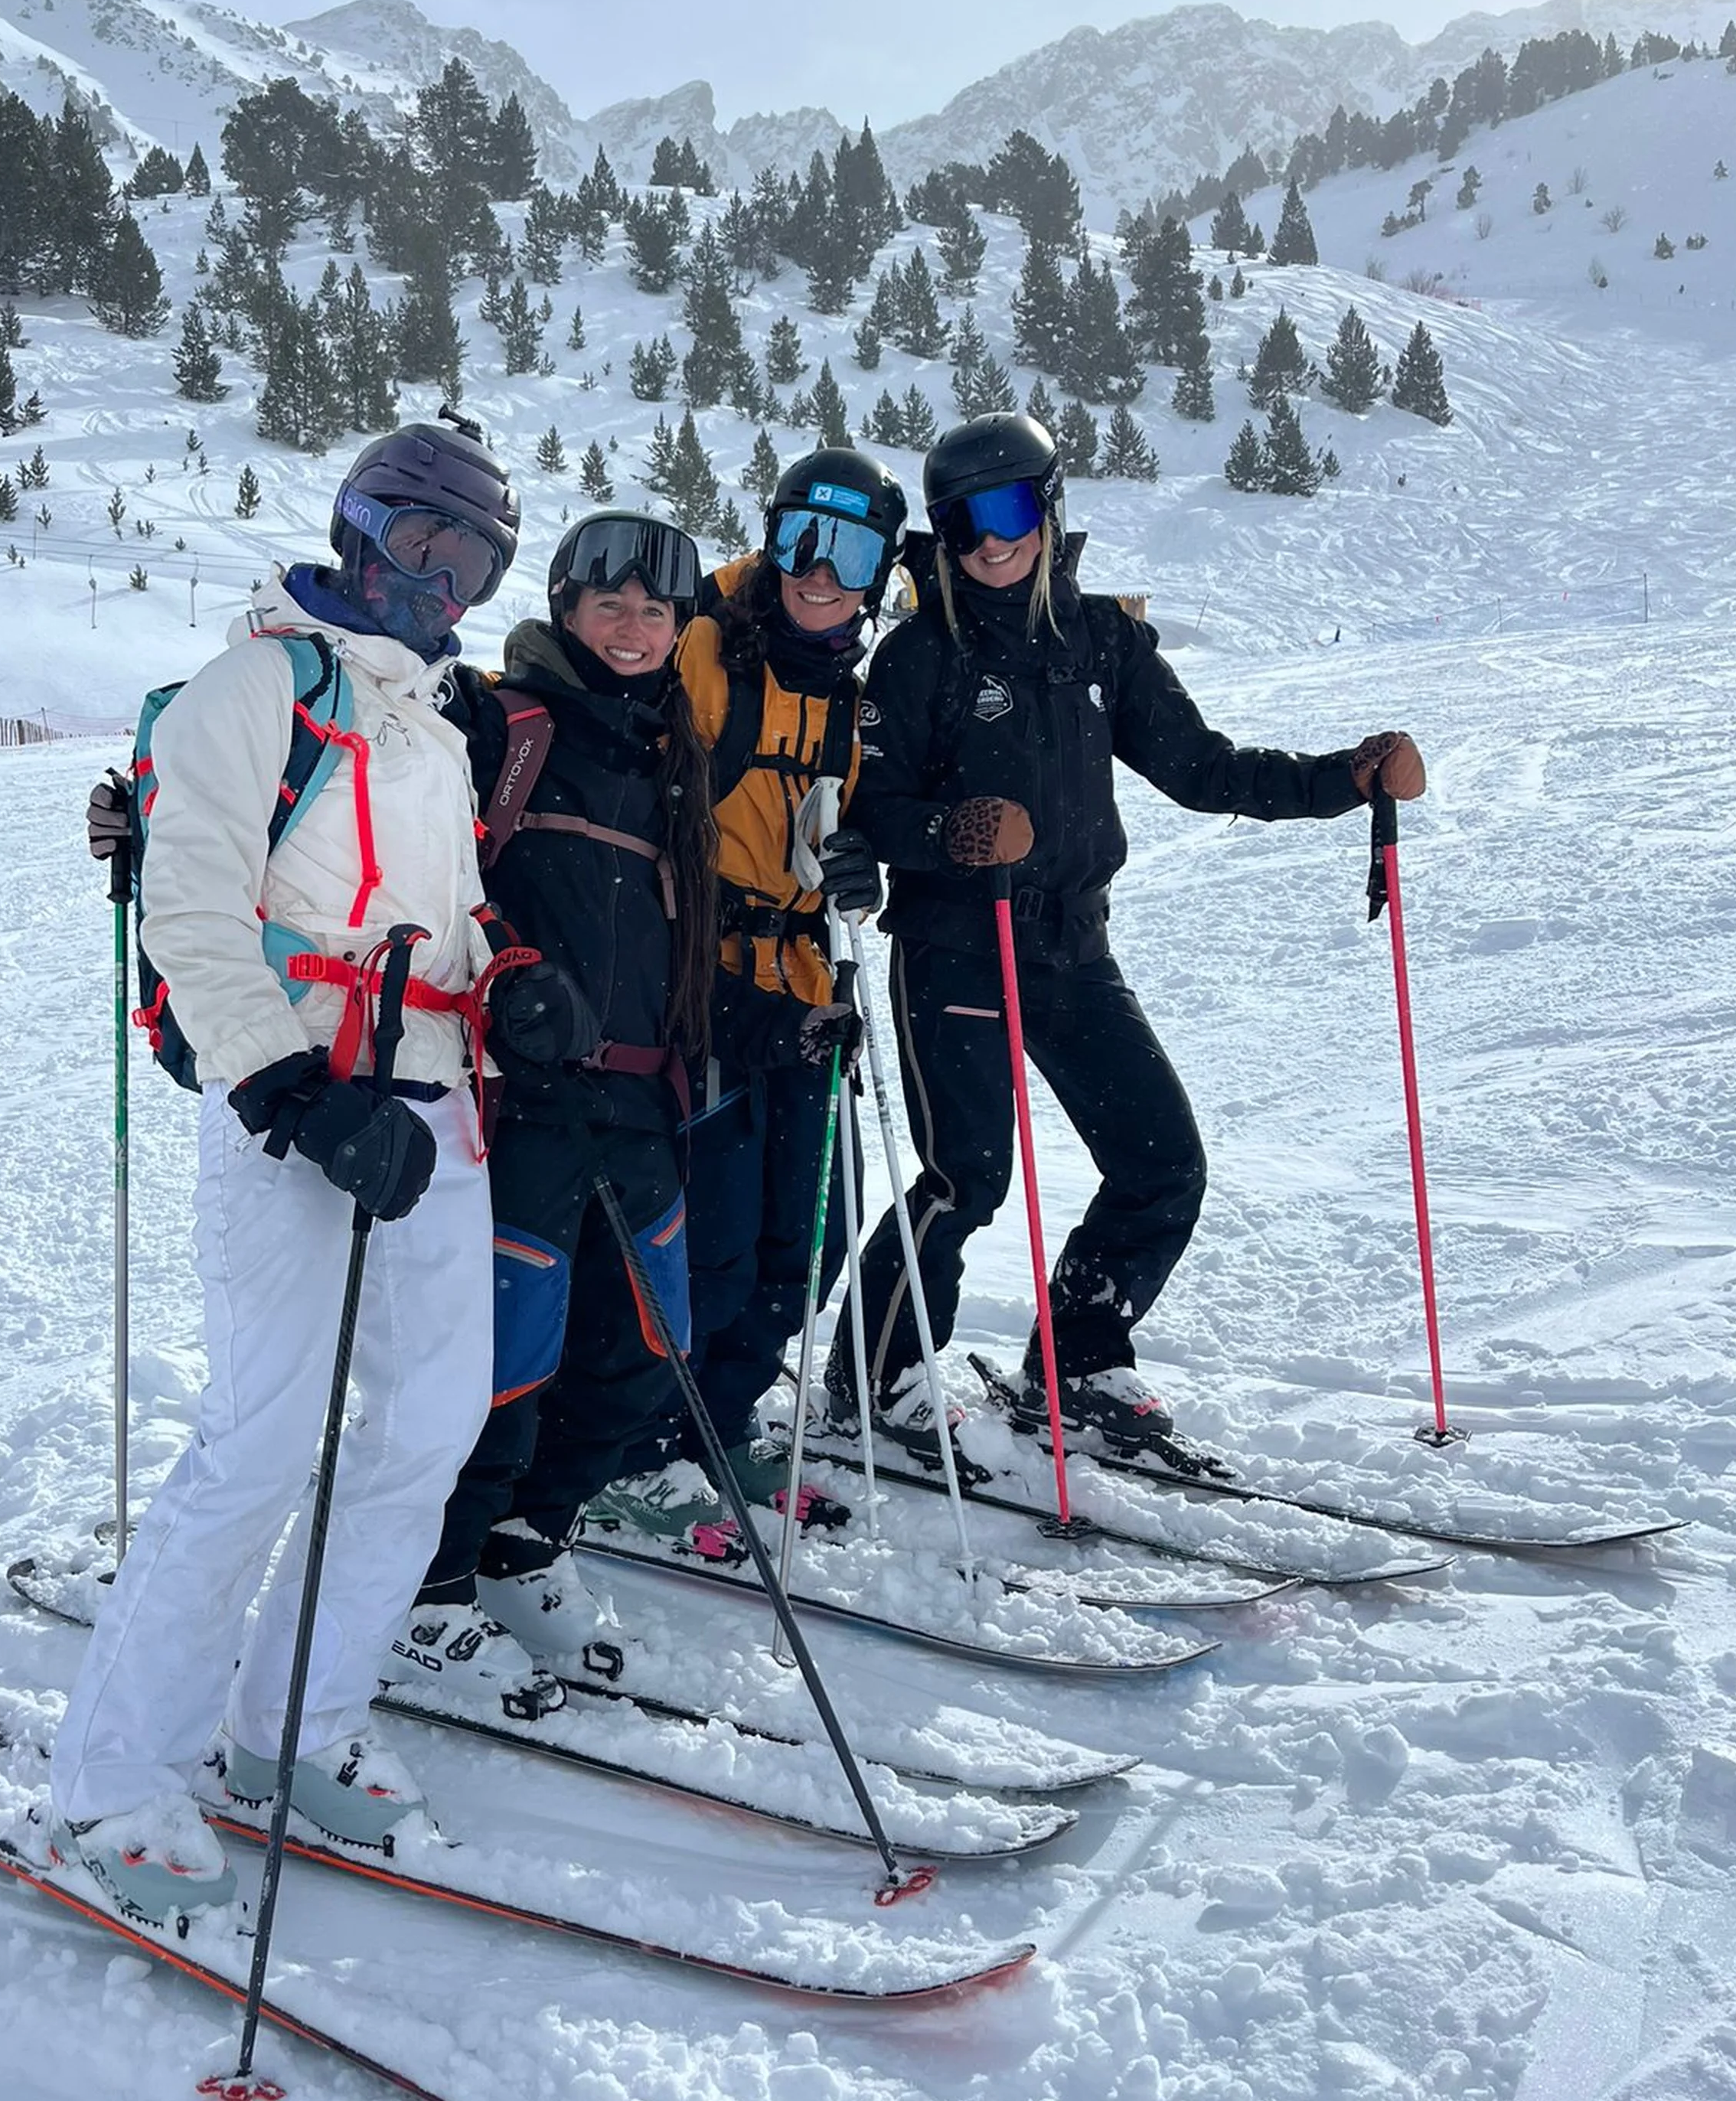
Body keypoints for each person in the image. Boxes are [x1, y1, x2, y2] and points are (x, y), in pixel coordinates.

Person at [48, 414, 582, 1926]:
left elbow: (443, 918)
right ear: (358, 533)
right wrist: (292, 1089)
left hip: (433, 1109)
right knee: (262, 1441)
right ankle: (112, 1778)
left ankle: (298, 1722)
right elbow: (195, 917)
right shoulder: (252, 689)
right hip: (296, 1102)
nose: (442, 580)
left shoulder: (433, 720)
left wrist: (518, 979)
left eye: (472, 558)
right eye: (421, 543)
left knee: (424, 1425)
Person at [831, 408, 1425, 1460]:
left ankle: (1080, 1357)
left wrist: (1350, 778)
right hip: (955, 950)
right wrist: (954, 833)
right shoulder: (917, 658)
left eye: (1009, 509)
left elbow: (1207, 770)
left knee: (1163, 1162)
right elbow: (867, 813)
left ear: (1050, 508)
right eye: (962, 523)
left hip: (1071, 946)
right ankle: (873, 1376)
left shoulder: (1103, 640)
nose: (989, 542)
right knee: (966, 1178)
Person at [382, 511, 717, 1708]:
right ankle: (428, 1587)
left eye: (656, 615)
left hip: (640, 1094)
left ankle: (528, 1538)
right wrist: (153, 793)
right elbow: (375, 807)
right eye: (610, 607)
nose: (633, 632)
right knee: (508, 1361)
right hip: (518, 1095)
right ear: (567, 609)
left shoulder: (673, 748)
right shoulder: (498, 719)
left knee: (643, 1344)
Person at [650, 448, 900, 1519]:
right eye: (802, 535)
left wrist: (863, 862)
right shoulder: (701, 650)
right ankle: (652, 1441)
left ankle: (727, 1413)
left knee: (816, 1230)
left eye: (850, 551)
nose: (818, 569)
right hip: (698, 990)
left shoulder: (853, 693)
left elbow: (855, 822)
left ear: (882, 571)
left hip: (805, 986)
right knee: (713, 1238)